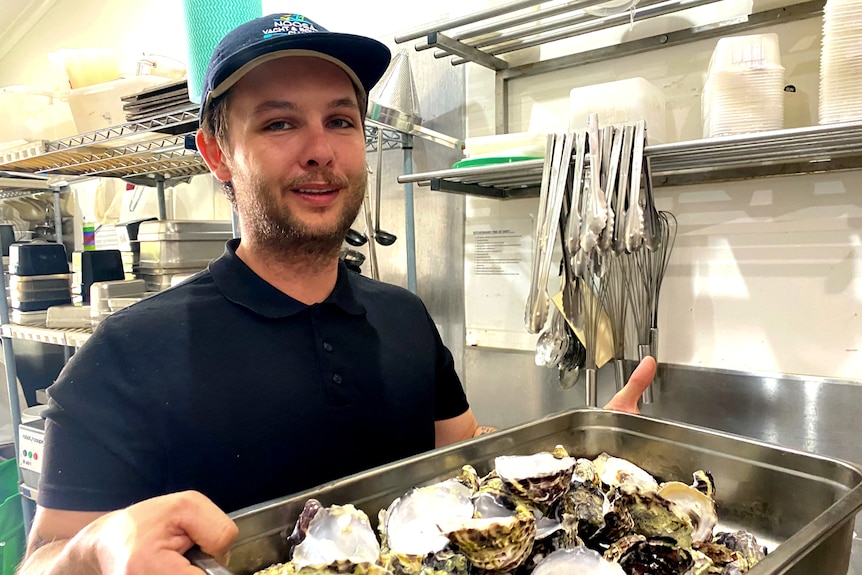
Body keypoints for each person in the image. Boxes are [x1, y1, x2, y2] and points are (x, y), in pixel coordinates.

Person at [17, 13, 658, 575]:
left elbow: (464, 455)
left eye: (340, 121)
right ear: (217, 154)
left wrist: (581, 458)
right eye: (279, 124)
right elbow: (43, 558)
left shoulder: (404, 317)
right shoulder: (126, 353)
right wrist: (94, 552)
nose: (320, 151)